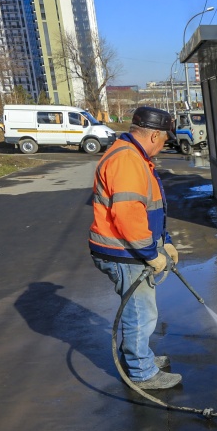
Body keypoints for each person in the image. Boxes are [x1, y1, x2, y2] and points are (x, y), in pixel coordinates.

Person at [89, 106, 181, 389]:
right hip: (124, 252)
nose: (164, 145)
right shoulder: (127, 160)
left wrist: (164, 241)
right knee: (140, 313)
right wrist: (151, 254)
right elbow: (128, 216)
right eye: (165, 140)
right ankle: (142, 372)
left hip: (129, 249)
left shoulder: (133, 157)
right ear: (154, 135)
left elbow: (145, 210)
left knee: (138, 310)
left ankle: (138, 358)